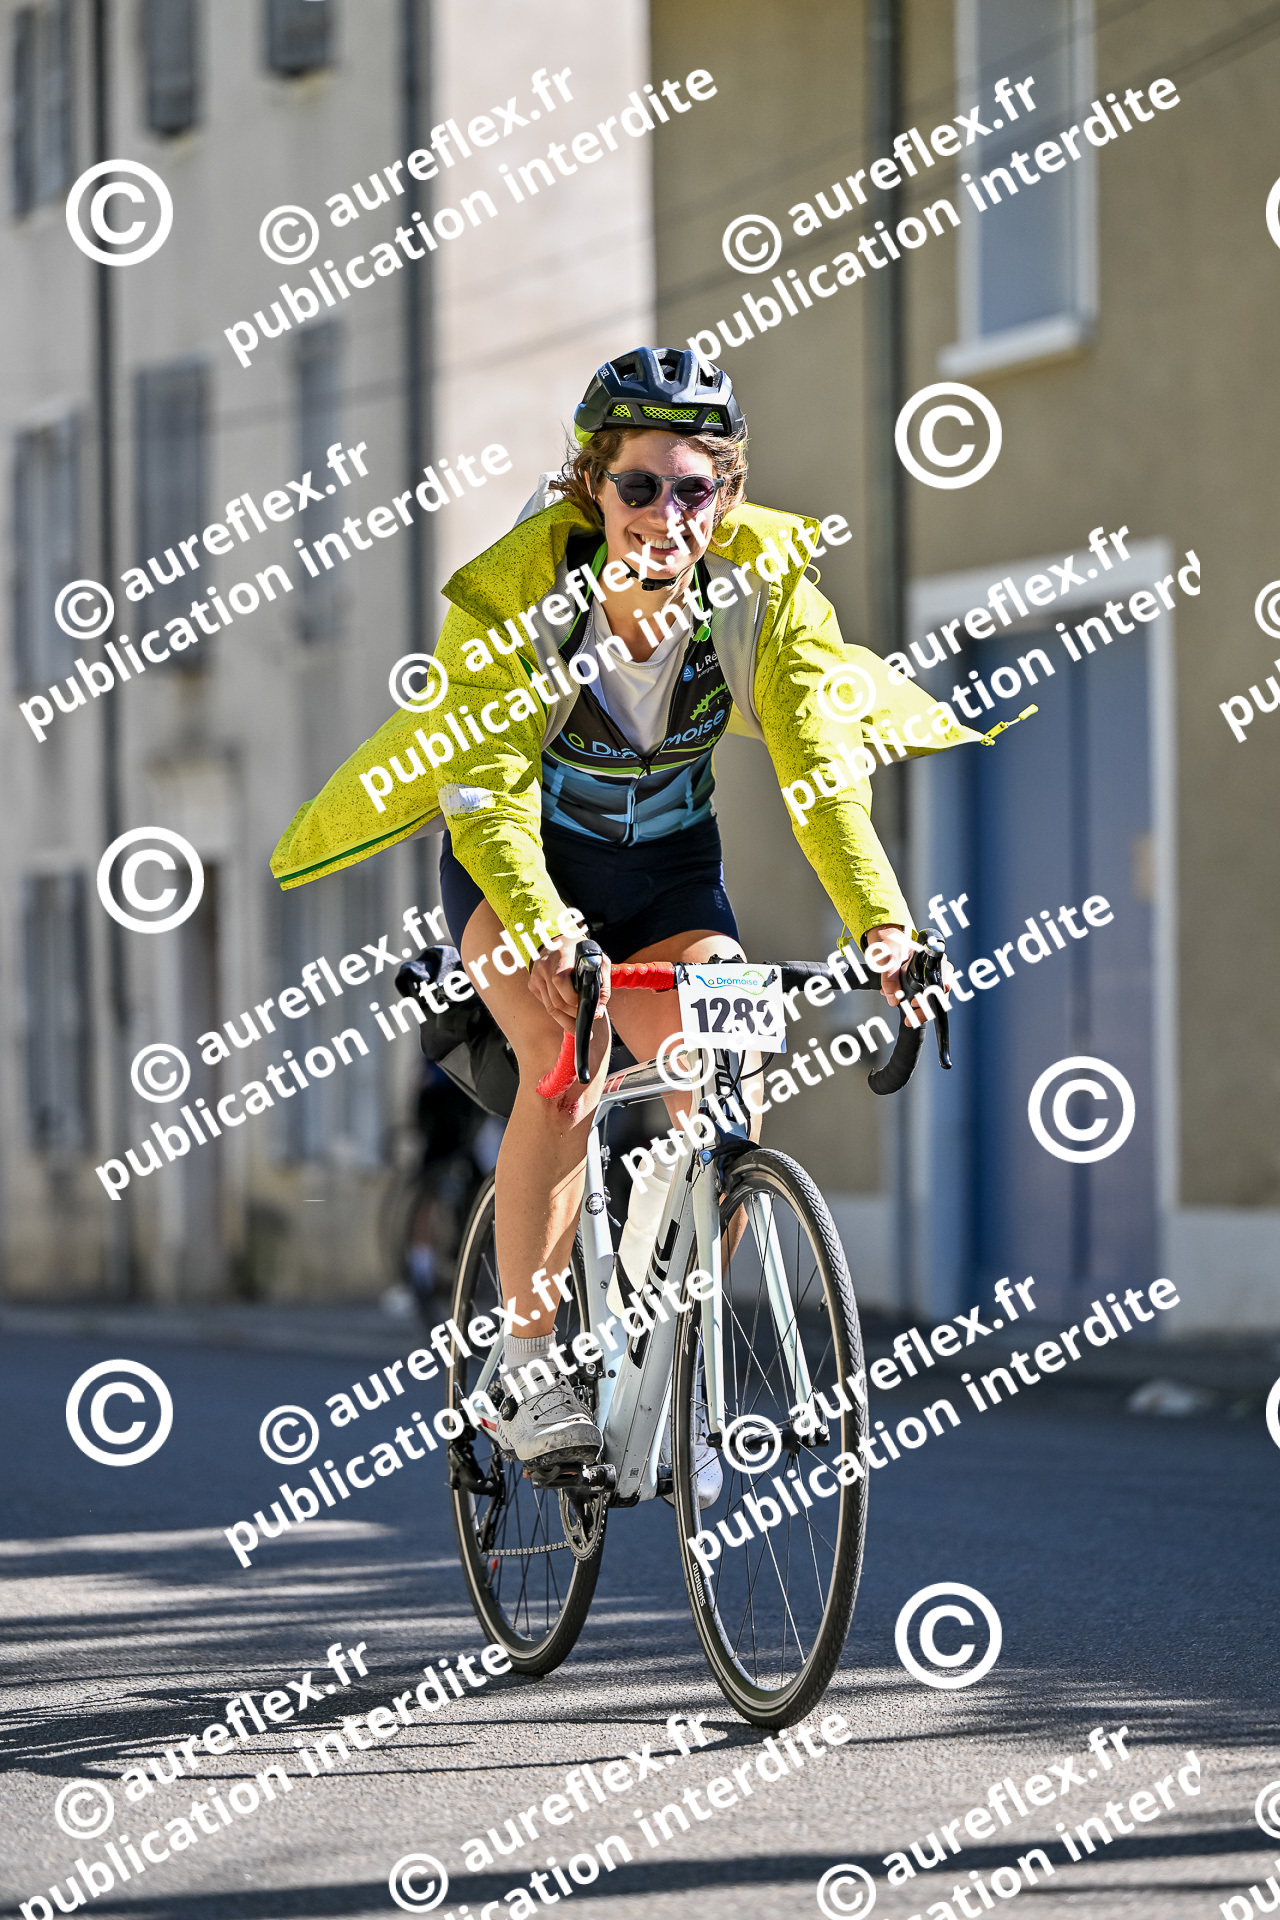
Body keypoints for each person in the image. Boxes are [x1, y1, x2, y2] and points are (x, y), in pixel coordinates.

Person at [272, 346, 977, 1472]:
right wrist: (545, 926)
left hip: (666, 876)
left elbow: (820, 775)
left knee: (729, 1071)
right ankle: (526, 1368)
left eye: (691, 488)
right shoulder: (515, 602)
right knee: (569, 1060)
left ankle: (666, 1331)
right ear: (591, 488)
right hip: (521, 870)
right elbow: (489, 797)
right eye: (637, 485)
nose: (664, 513)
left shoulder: (765, 595)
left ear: (725, 496)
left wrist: (882, 928)